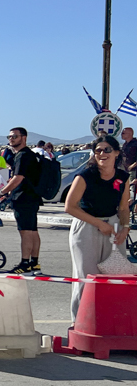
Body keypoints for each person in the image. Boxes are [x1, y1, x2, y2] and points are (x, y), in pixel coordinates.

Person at [64, 136, 131, 323]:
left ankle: (110, 323)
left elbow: (124, 207)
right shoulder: (85, 176)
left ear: (117, 153)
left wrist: (125, 228)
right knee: (86, 277)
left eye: (107, 149)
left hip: (113, 226)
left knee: (114, 276)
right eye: (98, 150)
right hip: (87, 226)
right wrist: (99, 224)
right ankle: (80, 323)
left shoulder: (122, 177)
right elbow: (70, 206)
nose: (102, 154)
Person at [0, 127, 43, 275]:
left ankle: (25, 264)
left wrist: (2, 191)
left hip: (24, 198)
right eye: (9, 137)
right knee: (33, 231)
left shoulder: (23, 155)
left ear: (24, 138)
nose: (11, 139)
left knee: (26, 232)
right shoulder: (28, 155)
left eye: (15, 136)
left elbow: (18, 178)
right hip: (31, 197)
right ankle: (34, 263)